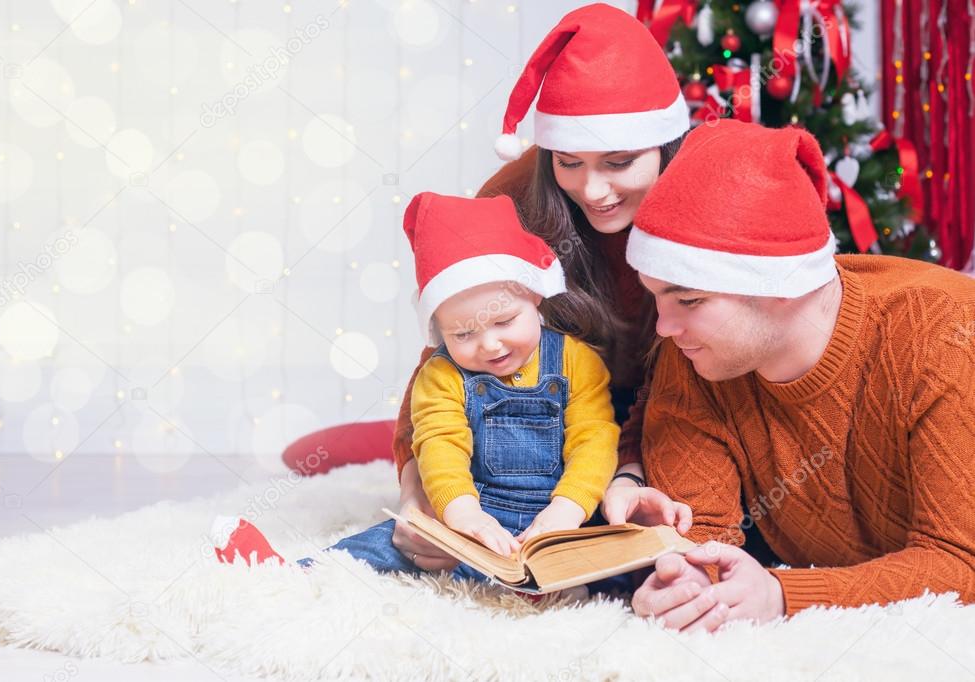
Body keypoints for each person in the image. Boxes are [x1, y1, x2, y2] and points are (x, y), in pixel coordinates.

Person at [282, 3, 693, 576]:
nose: (593, 190)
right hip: (504, 425)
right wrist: (418, 495)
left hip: (631, 431)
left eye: (619, 162)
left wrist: (617, 480)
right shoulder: (514, 198)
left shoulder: (699, 206)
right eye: (569, 162)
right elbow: (444, 362)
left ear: (664, 145)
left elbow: (688, 402)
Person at [217, 192, 688, 596]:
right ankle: (291, 576)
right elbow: (439, 444)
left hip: (566, 511)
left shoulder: (575, 361)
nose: (489, 344)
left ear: (536, 297)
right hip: (477, 508)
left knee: (625, 559)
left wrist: (566, 511)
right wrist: (461, 514)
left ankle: (563, 584)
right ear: (438, 332)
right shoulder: (442, 375)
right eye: (462, 334)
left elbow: (593, 438)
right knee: (387, 543)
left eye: (505, 321)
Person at [620, 119, 975, 632]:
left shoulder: (943, 335)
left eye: (689, 299)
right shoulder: (696, 351)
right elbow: (704, 539)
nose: (664, 326)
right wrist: (692, 586)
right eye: (656, 295)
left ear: (782, 284)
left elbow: (962, 561)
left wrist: (782, 594)